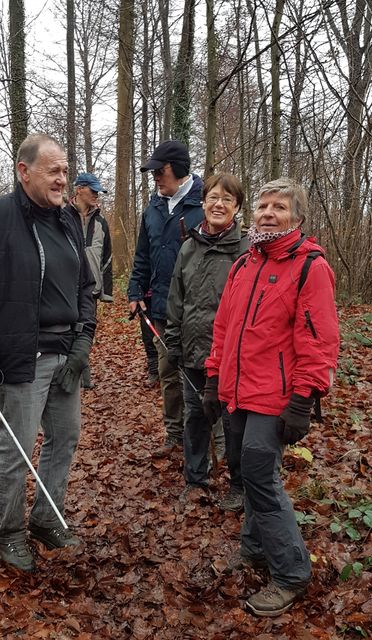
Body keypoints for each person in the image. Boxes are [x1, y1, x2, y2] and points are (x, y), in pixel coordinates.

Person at [0, 133, 96, 573]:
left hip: (66, 355)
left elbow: (86, 288)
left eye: (66, 171)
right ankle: (7, 532)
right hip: (20, 357)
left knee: (64, 439)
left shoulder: (70, 221)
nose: (62, 179)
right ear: (23, 171)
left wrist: (82, 346)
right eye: (54, 170)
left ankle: (46, 519)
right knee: (16, 447)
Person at [203, 178, 339, 616]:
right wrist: (212, 378)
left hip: (275, 396)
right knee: (243, 472)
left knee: (261, 477)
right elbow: (223, 328)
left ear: (296, 217)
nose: (266, 213)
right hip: (236, 391)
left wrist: (303, 399)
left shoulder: (309, 266)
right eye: (262, 205)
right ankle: (254, 548)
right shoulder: (245, 263)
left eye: (277, 207)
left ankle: (291, 573)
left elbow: (318, 340)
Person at [166, 173, 247, 502]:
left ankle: (238, 485)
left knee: (234, 422)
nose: (219, 204)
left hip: (233, 357)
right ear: (202, 202)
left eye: (227, 199)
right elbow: (176, 300)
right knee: (195, 417)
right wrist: (173, 343)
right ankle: (195, 480)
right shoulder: (189, 247)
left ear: (237, 207)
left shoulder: (247, 250)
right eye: (213, 197)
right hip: (193, 350)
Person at [128, 140, 204, 453]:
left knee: (197, 377)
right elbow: (142, 255)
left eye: (160, 171)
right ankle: (174, 435)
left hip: (196, 311)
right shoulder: (153, 208)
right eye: (153, 172)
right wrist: (135, 289)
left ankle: (201, 438)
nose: (156, 178)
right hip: (159, 308)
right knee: (168, 374)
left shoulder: (205, 205)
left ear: (178, 169)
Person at [64, 172, 112, 389]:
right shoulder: (62, 216)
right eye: (93, 191)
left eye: (98, 191)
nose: (96, 195)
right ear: (79, 189)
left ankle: (84, 374)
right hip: (66, 286)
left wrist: (106, 291)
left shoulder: (101, 222)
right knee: (67, 329)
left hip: (91, 288)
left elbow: (107, 258)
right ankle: (66, 369)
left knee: (86, 329)